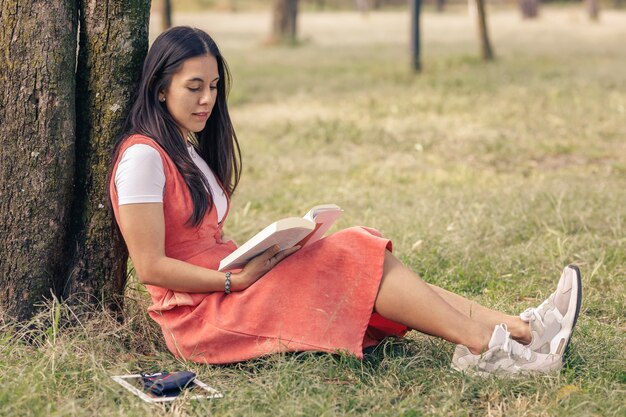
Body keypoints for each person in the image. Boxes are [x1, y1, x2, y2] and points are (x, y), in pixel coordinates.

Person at [107, 26, 582, 375]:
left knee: (360, 249)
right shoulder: (143, 158)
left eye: (213, 87)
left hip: (230, 281)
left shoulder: (183, 147)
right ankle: (488, 346)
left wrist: (267, 253)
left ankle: (521, 329)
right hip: (201, 312)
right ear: (159, 85)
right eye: (194, 87)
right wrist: (233, 280)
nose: (207, 100)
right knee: (353, 251)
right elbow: (151, 268)